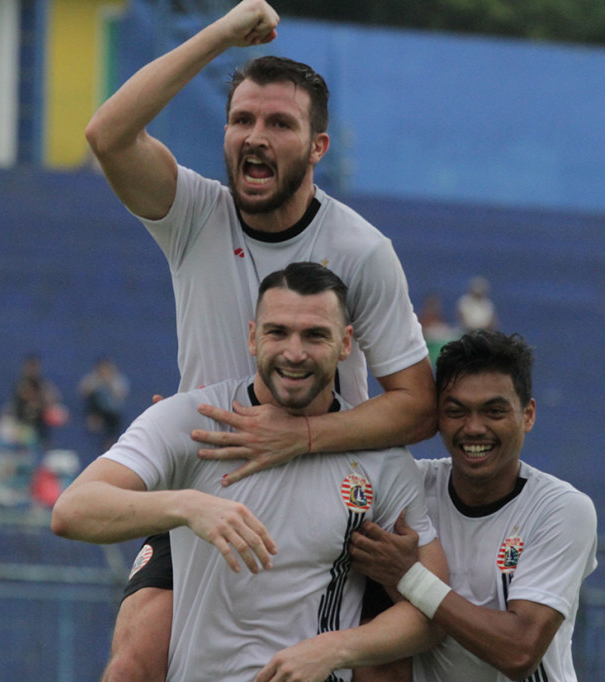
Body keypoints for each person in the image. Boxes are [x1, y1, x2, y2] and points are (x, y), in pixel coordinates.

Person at [84, 2, 437, 678]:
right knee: (137, 655)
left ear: (317, 147)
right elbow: (109, 135)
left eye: (280, 123)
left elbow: (417, 404)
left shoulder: (361, 249)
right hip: (211, 476)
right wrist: (218, 34)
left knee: (385, 663)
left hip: (332, 489)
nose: (256, 135)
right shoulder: (195, 214)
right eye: (242, 119)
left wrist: (297, 438)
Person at [52, 263, 447, 682]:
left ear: (345, 343)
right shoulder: (192, 419)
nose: (294, 353)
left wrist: (332, 650)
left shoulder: (381, 461)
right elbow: (72, 510)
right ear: (252, 337)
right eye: (278, 332)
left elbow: (435, 611)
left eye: (315, 335)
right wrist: (187, 506)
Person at [335, 330, 598, 681]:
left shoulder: (562, 509)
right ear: (438, 418)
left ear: (528, 415)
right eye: (456, 411)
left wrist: (408, 576)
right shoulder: (409, 489)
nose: (474, 428)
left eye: (494, 411)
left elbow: (519, 650)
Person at [78, 356, 130, 451]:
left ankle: (109, 441)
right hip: (96, 410)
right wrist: (99, 383)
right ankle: (94, 420)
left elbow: (120, 395)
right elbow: (84, 392)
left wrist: (109, 383)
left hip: (112, 413)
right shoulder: (92, 379)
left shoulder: (117, 380)